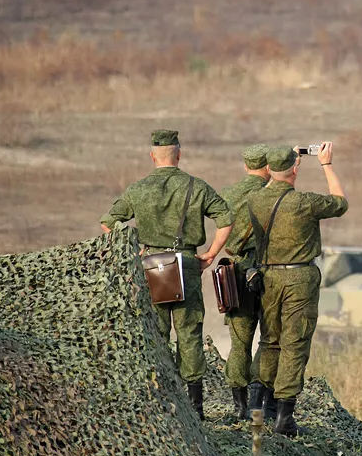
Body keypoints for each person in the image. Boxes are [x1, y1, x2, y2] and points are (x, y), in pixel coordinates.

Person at [100, 129, 234, 421]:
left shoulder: (138, 189)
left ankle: (161, 400)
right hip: (186, 262)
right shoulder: (196, 187)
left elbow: (108, 223)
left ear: (152, 157)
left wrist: (136, 253)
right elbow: (226, 219)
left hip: (153, 265)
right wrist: (210, 254)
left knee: (157, 333)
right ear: (179, 154)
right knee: (189, 332)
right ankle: (196, 406)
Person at [247, 142, 348, 436]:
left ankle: (258, 406)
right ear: (294, 169)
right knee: (295, 342)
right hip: (299, 279)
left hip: (268, 278)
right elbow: (340, 202)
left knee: (269, 341)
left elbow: (269, 186)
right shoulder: (304, 202)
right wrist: (326, 164)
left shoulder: (255, 200)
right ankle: (284, 416)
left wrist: (282, 162)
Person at [218, 143, 271, 420]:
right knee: (269, 339)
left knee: (239, 342)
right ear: (269, 166)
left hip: (237, 273)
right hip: (270, 272)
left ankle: (239, 407)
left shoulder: (228, 194)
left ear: (245, 166)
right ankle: (258, 400)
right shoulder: (272, 195)